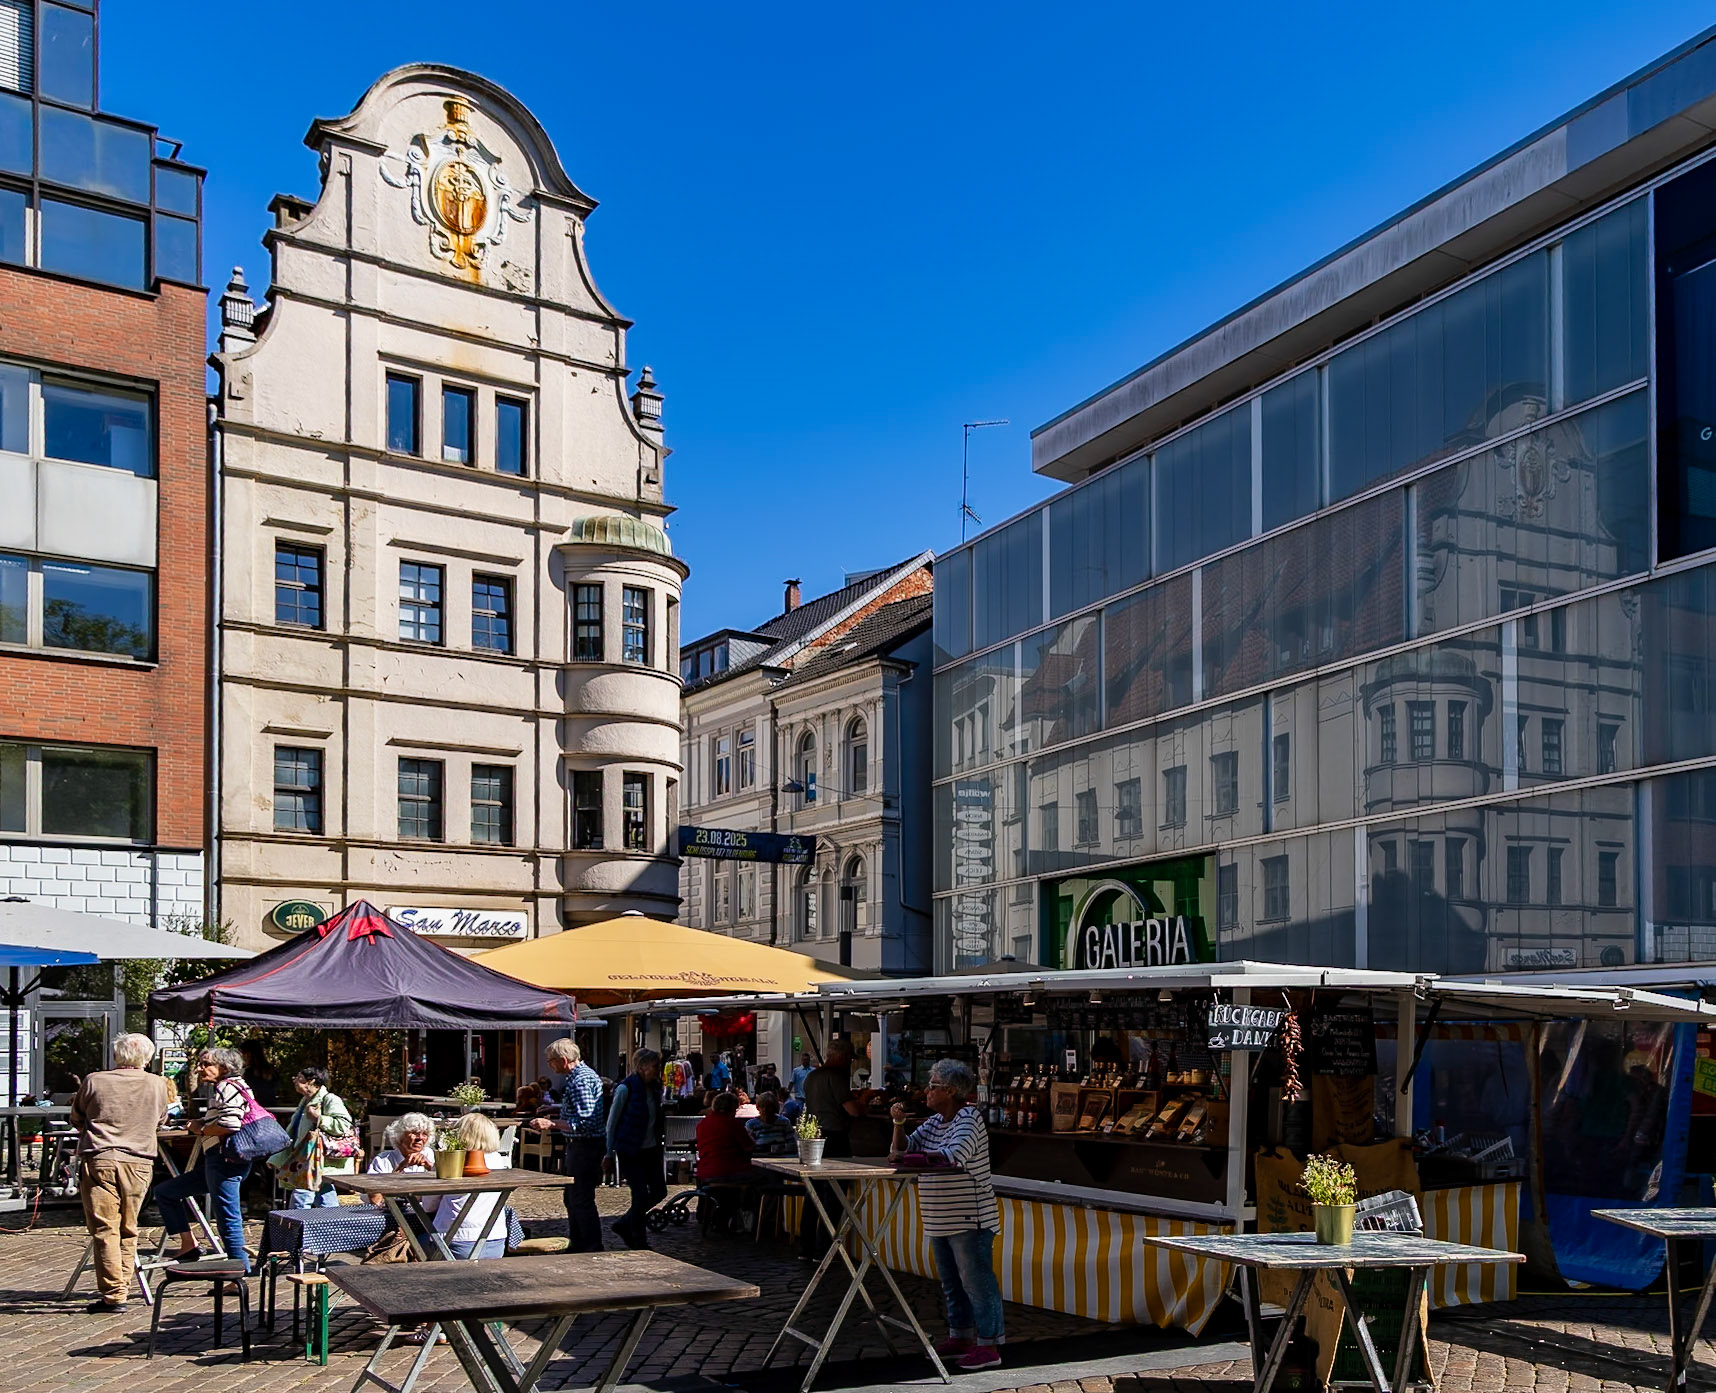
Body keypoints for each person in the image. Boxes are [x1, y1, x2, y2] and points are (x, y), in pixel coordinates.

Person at [889, 1059, 1004, 1372]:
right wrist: (898, 1125)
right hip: (939, 1216)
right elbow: (900, 1153)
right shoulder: (934, 1122)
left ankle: (989, 1345)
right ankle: (960, 1337)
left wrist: (915, 1158)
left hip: (968, 1218)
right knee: (952, 1284)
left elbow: (953, 1157)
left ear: (951, 1091)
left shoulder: (969, 1119)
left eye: (933, 1086)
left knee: (977, 1283)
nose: (927, 1091)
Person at [69, 1032, 168, 1312]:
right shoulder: (157, 1084)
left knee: (105, 1228)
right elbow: (160, 1120)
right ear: (147, 1058)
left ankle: (114, 1294)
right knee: (129, 1226)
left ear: (116, 1055)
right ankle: (120, 1288)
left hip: (100, 1157)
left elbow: (77, 1116)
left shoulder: (95, 1080)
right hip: (139, 1161)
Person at [152, 1046, 254, 1272]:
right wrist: (202, 1123)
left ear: (224, 1067)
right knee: (165, 1192)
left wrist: (201, 1129)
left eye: (206, 1064)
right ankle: (188, 1243)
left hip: (224, 1161)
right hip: (221, 1161)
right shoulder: (234, 1086)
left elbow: (230, 1124)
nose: (200, 1068)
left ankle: (238, 1273)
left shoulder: (227, 1087)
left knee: (228, 1218)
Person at [528, 1037, 607, 1252]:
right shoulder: (580, 1077)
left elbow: (585, 1122)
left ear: (563, 1060)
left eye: (551, 1061)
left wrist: (551, 1123)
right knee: (572, 1197)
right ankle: (580, 1242)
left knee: (580, 1197)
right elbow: (581, 1108)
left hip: (585, 1146)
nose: (550, 1066)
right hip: (583, 1145)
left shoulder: (581, 1080)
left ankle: (589, 1245)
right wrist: (556, 1108)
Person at [799, 1039, 865, 1260]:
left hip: (814, 1136)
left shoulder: (811, 1077)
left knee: (813, 1194)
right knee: (834, 1194)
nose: (850, 1062)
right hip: (834, 1138)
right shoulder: (836, 1077)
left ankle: (806, 1247)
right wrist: (864, 1102)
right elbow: (853, 1111)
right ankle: (823, 1249)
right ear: (842, 1056)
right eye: (849, 1058)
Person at [271, 1065, 357, 1208]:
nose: (294, 1080)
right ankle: (332, 1221)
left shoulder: (329, 1099)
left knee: (301, 1196)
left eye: (299, 1078)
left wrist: (319, 1118)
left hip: (317, 1159)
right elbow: (294, 1133)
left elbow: (343, 1125)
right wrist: (277, 1158)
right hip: (308, 1158)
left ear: (311, 1081)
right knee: (324, 1196)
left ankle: (296, 1222)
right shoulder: (305, 1101)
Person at [605, 1048, 666, 1249]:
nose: (658, 1070)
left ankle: (624, 1223)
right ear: (642, 1067)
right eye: (655, 1066)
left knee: (659, 1190)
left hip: (651, 1148)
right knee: (639, 1194)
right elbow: (612, 1123)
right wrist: (609, 1152)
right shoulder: (626, 1089)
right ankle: (638, 1239)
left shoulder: (655, 1089)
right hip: (630, 1149)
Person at [433, 1113, 511, 1258]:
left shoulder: (449, 1159)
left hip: (454, 1238)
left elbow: (428, 1206)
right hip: (495, 1237)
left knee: (416, 1240)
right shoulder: (498, 1160)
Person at [366, 1112, 437, 1203]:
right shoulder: (383, 1160)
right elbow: (376, 1200)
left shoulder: (430, 1155)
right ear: (400, 1135)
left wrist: (430, 1167)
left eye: (425, 1134)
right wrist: (401, 1167)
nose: (420, 1138)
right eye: (414, 1133)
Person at [695, 1092, 758, 1181]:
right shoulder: (732, 1123)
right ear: (731, 1108)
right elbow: (749, 1146)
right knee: (765, 1175)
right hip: (731, 1170)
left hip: (705, 1171)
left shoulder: (702, 1124)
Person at [239, 1040, 280, 1108]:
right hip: (271, 1108)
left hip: (254, 1109)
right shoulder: (272, 1071)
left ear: (247, 1054)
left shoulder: (247, 1073)